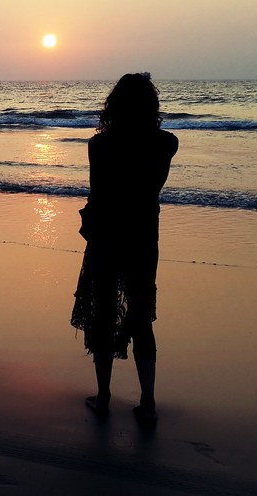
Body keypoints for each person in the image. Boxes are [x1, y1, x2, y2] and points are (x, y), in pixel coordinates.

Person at [71, 72, 179, 427]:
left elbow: (98, 193)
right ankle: (147, 402)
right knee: (141, 316)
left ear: (112, 105)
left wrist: (89, 225)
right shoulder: (166, 143)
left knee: (103, 314)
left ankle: (103, 397)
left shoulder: (99, 145)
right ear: (153, 106)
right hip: (145, 236)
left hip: (107, 236)